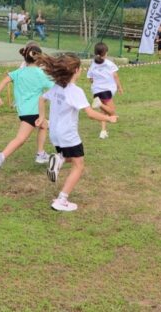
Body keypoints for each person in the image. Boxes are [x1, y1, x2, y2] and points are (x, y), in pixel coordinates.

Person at [35, 53, 118, 212]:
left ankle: (58, 159)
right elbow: (91, 113)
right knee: (79, 165)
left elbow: (41, 99)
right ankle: (62, 200)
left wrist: (42, 117)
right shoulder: (76, 91)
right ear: (76, 71)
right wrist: (109, 118)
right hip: (68, 135)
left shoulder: (57, 86)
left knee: (69, 157)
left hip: (55, 134)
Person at [0, 44, 54, 176]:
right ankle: (1, 156)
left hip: (24, 111)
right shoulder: (40, 74)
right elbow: (54, 88)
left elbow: (4, 81)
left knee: (44, 125)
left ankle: (40, 154)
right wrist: (46, 97)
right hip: (33, 111)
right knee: (20, 139)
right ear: (39, 58)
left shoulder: (18, 72)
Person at [88, 42, 124, 139]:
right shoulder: (109, 64)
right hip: (106, 91)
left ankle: (103, 132)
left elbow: (90, 79)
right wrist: (120, 87)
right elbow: (115, 76)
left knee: (103, 112)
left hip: (96, 91)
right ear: (106, 53)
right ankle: (99, 104)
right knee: (112, 113)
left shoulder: (93, 64)